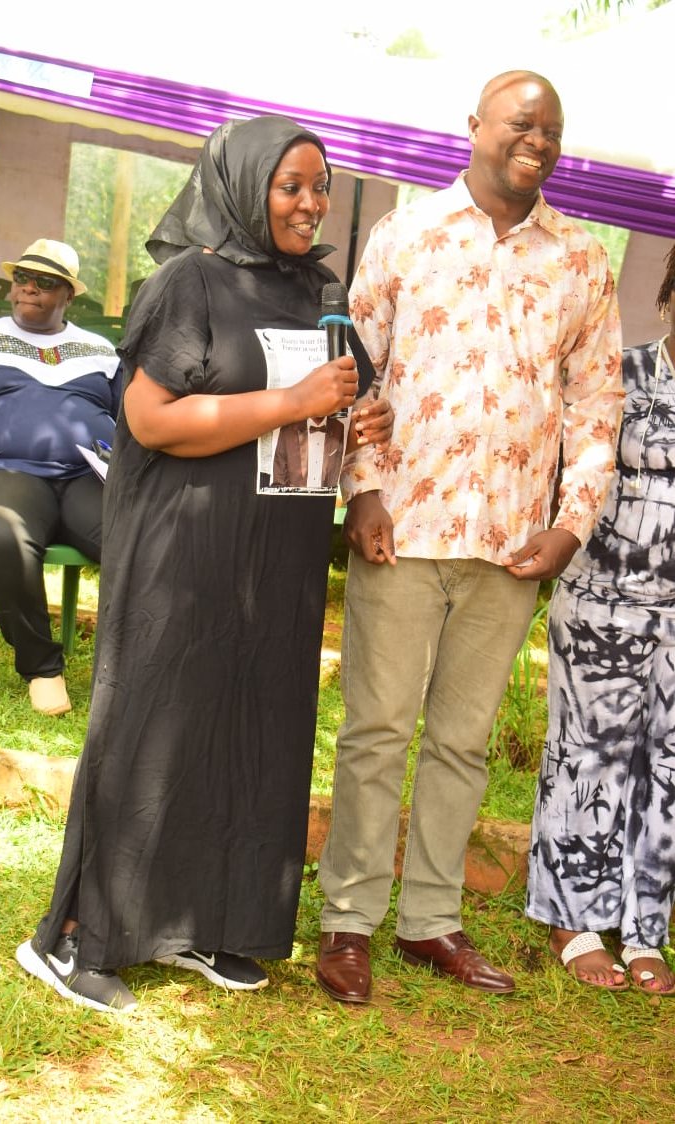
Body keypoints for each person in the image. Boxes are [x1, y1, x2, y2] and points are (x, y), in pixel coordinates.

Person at [15, 115, 393, 1012]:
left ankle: (205, 922)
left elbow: (339, 400)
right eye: (290, 184)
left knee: (254, 731)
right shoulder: (191, 282)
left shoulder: (319, 292)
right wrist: (291, 400)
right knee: (155, 727)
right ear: (242, 186)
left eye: (319, 184)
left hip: (281, 558)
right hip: (185, 547)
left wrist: (352, 420)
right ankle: (76, 939)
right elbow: (151, 421)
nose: (310, 203)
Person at [315, 70, 624, 1004]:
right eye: (522, 124)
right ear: (476, 126)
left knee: (462, 740)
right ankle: (350, 922)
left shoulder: (581, 259)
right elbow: (353, 370)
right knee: (376, 729)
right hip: (402, 527)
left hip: (514, 542)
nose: (537, 141)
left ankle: (430, 922)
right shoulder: (406, 233)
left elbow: (598, 401)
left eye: (552, 132)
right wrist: (362, 491)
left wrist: (572, 527)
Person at [525, 245, 675, 995]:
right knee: (589, 758)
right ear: (669, 299)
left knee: (668, 769)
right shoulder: (622, 375)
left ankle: (647, 926)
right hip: (603, 610)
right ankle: (572, 916)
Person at [0, 238, 121, 715]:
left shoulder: (101, 351)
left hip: (86, 476)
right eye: (22, 279)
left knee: (140, 541)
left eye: (46, 282)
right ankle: (41, 666)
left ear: (69, 295)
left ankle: (133, 669)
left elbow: (135, 419)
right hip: (7, 473)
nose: (29, 288)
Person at [272, 413, 346, 490]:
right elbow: (279, 478)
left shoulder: (339, 427)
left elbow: (336, 469)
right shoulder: (288, 430)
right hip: (294, 499)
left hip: (325, 499)